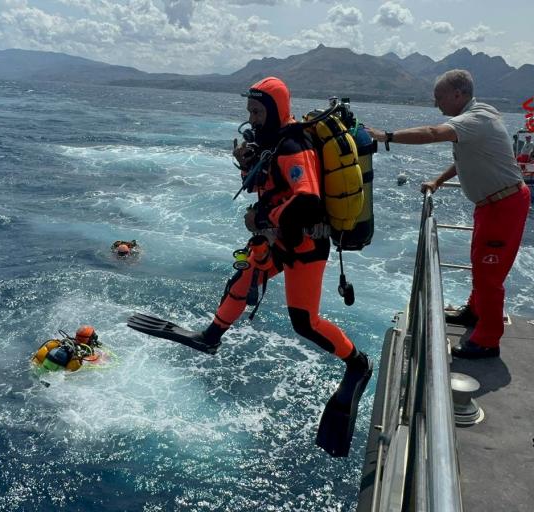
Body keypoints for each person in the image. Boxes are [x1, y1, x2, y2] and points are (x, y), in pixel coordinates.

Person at [128, 77, 372, 457]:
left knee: (304, 322)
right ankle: (211, 336)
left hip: (304, 243)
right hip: (277, 238)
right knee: (246, 273)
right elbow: (271, 185)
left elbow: (306, 200)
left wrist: (262, 214)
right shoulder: (272, 142)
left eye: (258, 112)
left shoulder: (292, 144)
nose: (252, 119)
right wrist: (248, 168)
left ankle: (358, 364)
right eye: (250, 112)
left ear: (275, 110)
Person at [367, 69, 531, 359]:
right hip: (492, 204)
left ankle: (487, 340)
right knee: (480, 264)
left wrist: (385, 136)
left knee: (489, 274)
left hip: (504, 206)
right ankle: (474, 311)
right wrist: (439, 181)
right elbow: (470, 158)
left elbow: (432, 133)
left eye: (439, 97)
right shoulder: (478, 117)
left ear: (458, 94)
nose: (435, 104)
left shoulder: (475, 119)